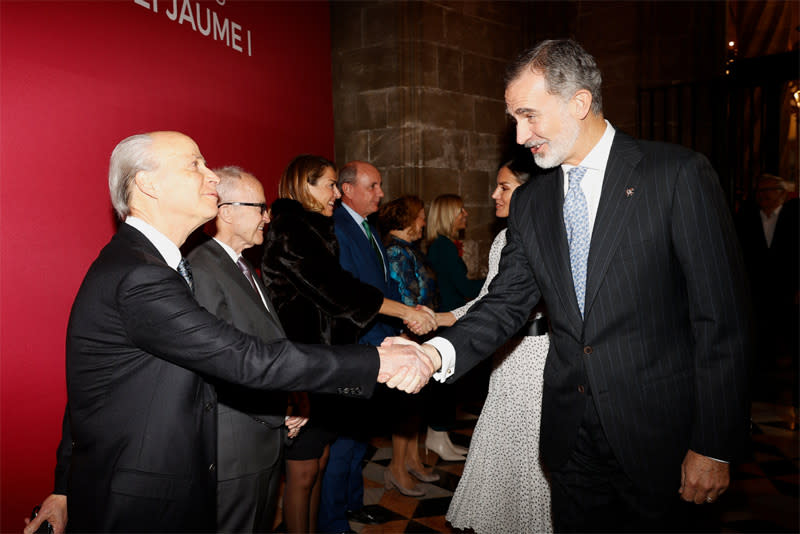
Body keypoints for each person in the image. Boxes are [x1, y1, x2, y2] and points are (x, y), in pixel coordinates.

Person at [413, 40, 751, 531]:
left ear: (579, 102)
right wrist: (435, 354)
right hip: (569, 439)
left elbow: (722, 321)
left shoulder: (675, 175)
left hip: (660, 439)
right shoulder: (532, 203)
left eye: (528, 115)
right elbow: (505, 304)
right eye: (513, 118)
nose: (520, 133)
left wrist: (714, 443)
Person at [24, 131, 434, 534]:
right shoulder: (139, 275)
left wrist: (63, 486)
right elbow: (245, 357)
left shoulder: (148, 263)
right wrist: (377, 360)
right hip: (143, 501)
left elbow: (91, 388)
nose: (213, 177)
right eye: (194, 165)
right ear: (147, 184)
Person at [260, 156, 436, 533]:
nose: (335, 194)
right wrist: (404, 311)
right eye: (328, 185)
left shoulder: (314, 227)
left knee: (319, 463)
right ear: (305, 187)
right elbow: (339, 290)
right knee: (303, 473)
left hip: (324, 361)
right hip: (303, 362)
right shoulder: (292, 227)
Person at [186, 166, 305, 533]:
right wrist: (276, 407)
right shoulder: (203, 268)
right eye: (259, 207)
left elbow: (268, 343)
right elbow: (220, 362)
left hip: (262, 436)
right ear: (225, 211)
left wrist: (288, 399)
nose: (267, 217)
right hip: (236, 446)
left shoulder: (241, 266)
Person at [443, 162, 552, 533]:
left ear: (529, 192)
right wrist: (440, 319)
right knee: (504, 450)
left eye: (503, 187)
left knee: (533, 451)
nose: (494, 195)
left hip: (539, 358)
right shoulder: (503, 238)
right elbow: (490, 303)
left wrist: (441, 323)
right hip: (508, 356)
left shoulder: (548, 234)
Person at [317, 161, 422, 532]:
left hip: (380, 340)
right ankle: (332, 522)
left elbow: (383, 286)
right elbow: (351, 297)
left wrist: (405, 318)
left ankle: (353, 504)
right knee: (345, 440)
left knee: (359, 437)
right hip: (359, 347)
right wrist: (385, 336)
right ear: (348, 189)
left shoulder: (369, 228)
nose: (380, 193)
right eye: (373, 186)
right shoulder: (337, 228)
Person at [377, 195, 441, 496]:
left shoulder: (408, 249)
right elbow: (401, 294)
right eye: (420, 215)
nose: (424, 221)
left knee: (417, 403)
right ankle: (396, 469)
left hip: (420, 331)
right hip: (407, 333)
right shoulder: (396, 252)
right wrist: (412, 328)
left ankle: (413, 460)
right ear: (406, 218)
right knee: (405, 407)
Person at [424, 194, 484, 461]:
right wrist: (494, 282)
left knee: (447, 383)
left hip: (448, 317)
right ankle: (437, 438)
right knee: (444, 384)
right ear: (448, 215)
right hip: (446, 319)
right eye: (460, 210)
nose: (465, 214)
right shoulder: (444, 247)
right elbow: (464, 288)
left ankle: (440, 438)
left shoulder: (443, 245)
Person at [736, 174, 799, 402]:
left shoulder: (794, 216)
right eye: (760, 191)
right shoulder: (747, 218)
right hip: (757, 289)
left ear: (782, 193)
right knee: (760, 333)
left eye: (769, 190)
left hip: (787, 287)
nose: (764, 195)